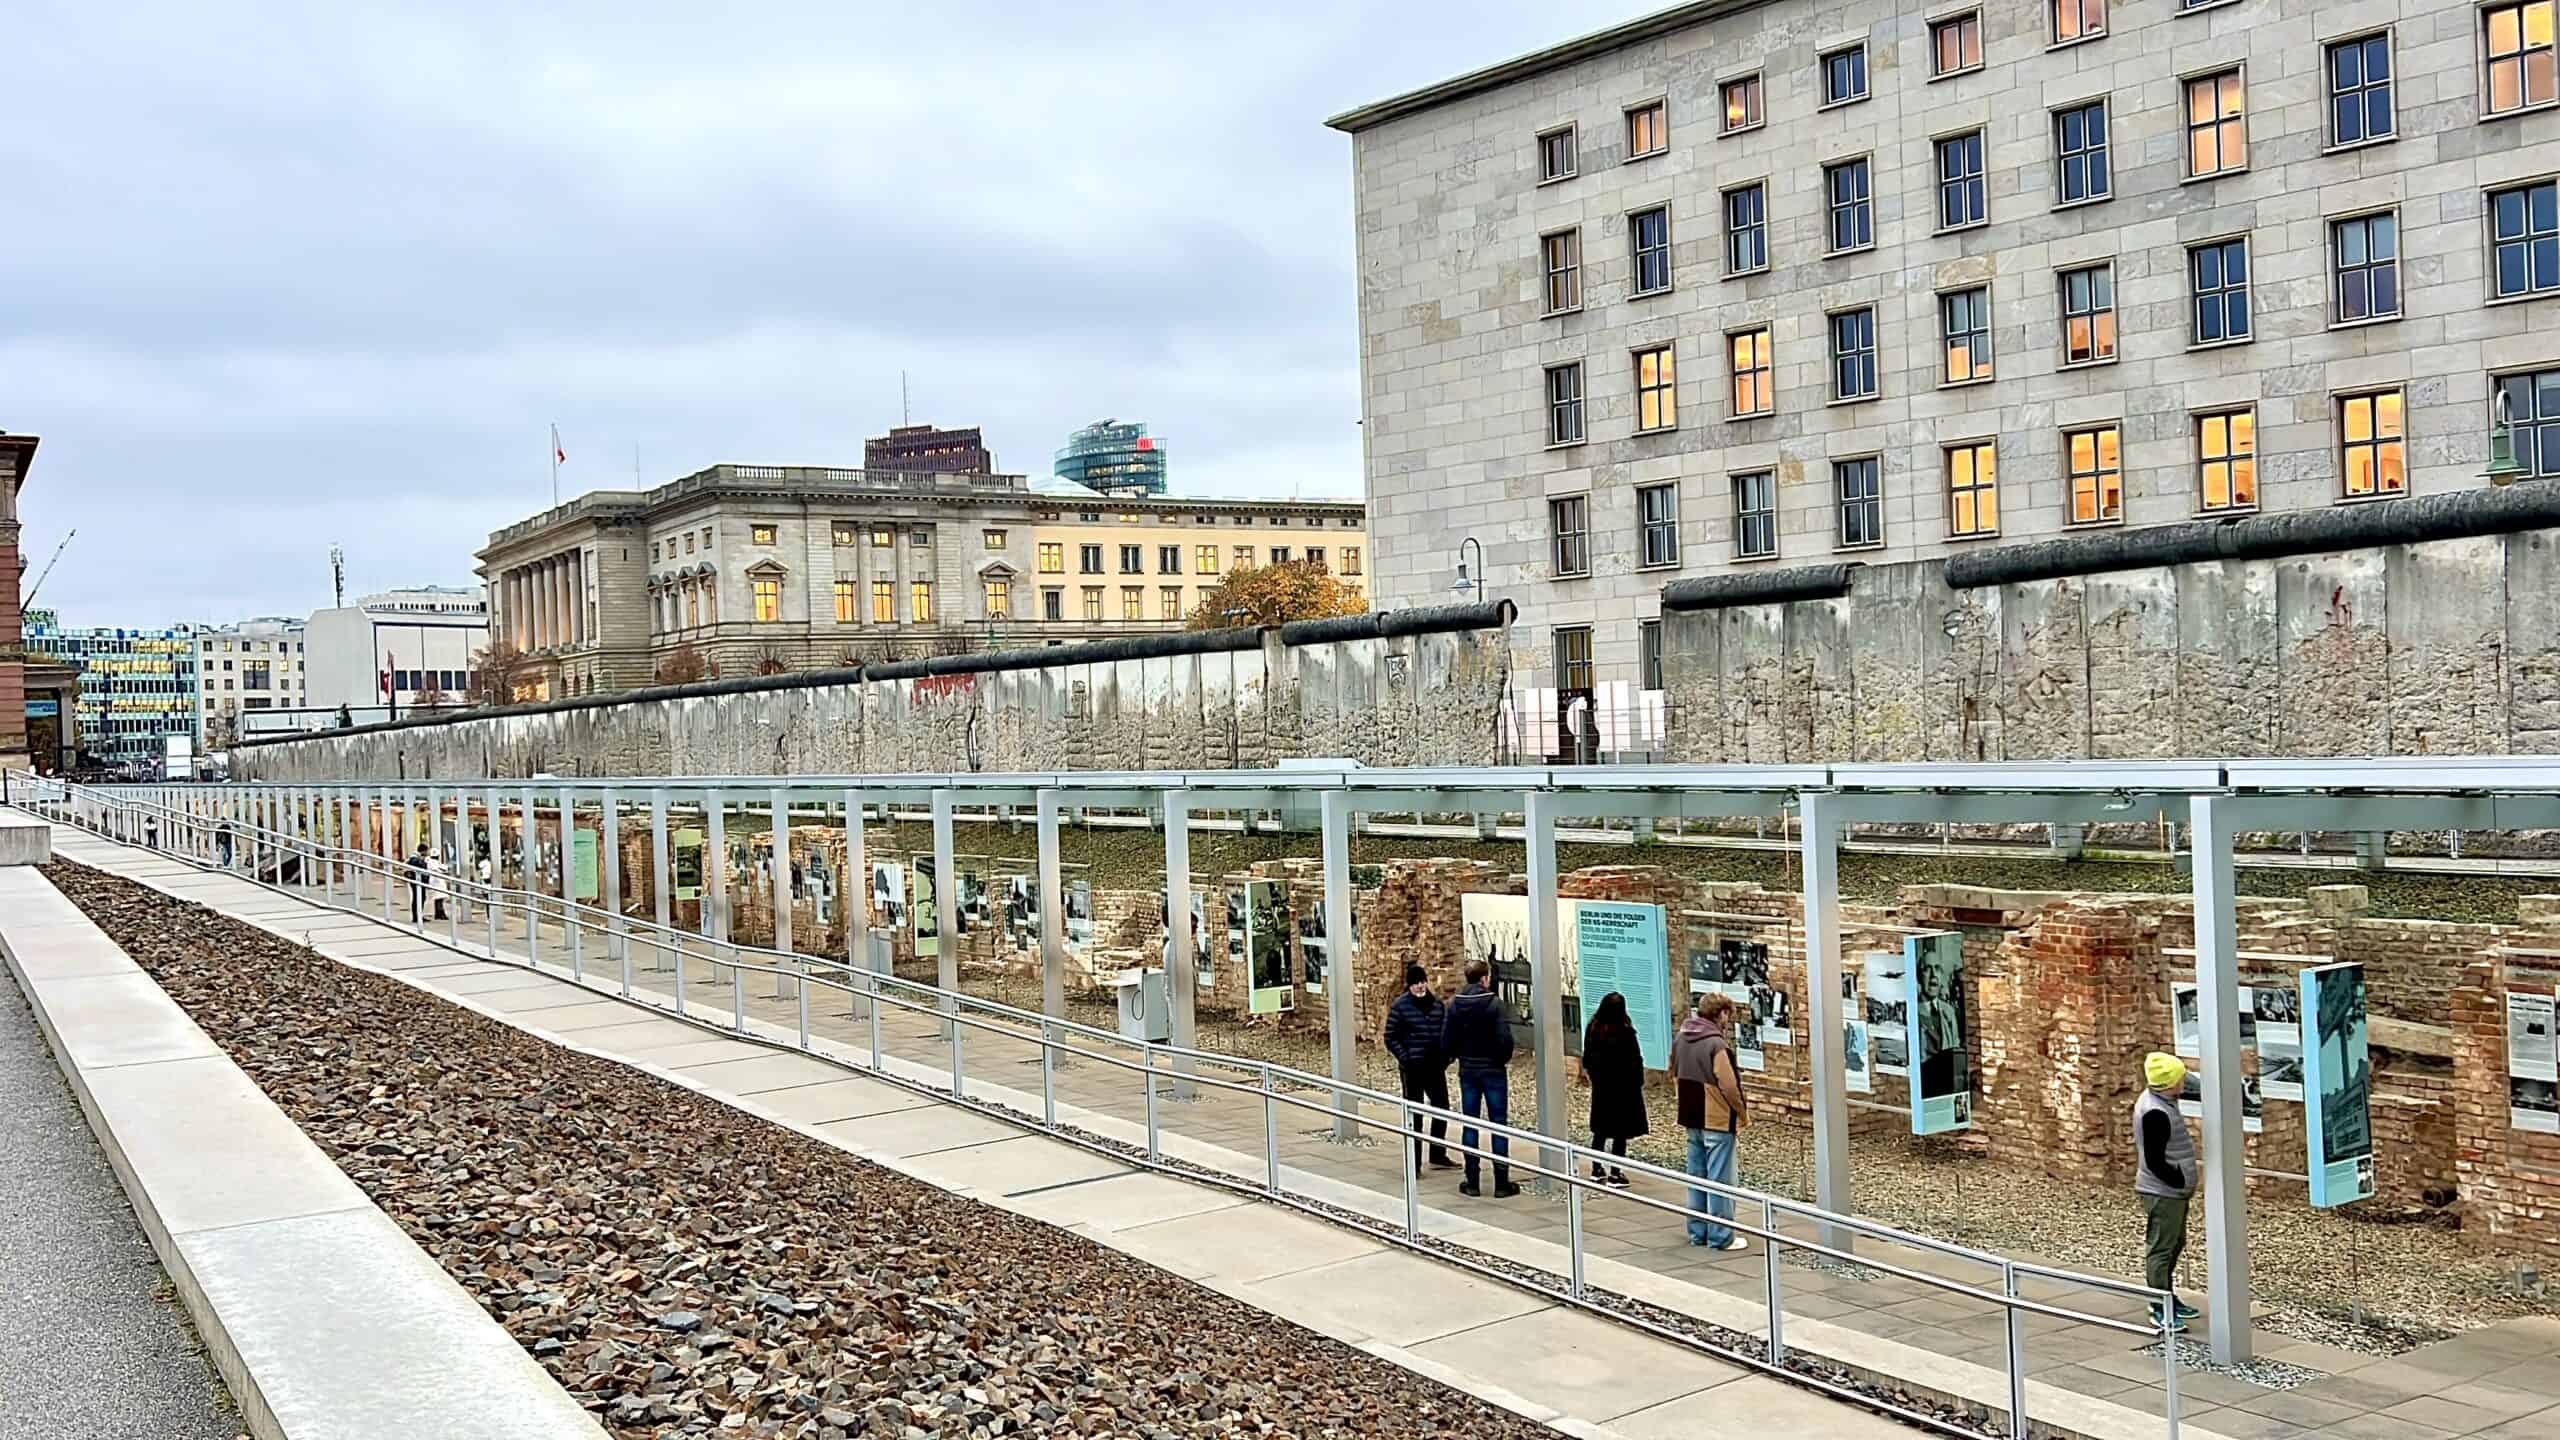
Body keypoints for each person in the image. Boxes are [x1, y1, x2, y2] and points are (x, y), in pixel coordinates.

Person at [1672, 991, 1749, 1250]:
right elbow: (1728, 1085)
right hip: (1716, 1117)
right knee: (1719, 1179)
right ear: (1722, 1014)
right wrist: (1741, 1112)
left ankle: (1698, 1232)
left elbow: (1673, 1070)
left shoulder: (1681, 1037)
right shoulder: (1716, 1044)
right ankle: (1721, 1236)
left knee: (1696, 1176)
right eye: (1729, 1015)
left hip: (1690, 1114)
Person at [2135, 1052, 2204, 1332]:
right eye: (2179, 1079)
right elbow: (2155, 1160)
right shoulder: (2155, 1113)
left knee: (2174, 1243)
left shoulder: (2161, 1100)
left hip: (2170, 1191)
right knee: (2162, 1248)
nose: (2184, 1083)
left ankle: (2167, 1296)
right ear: (2168, 1084)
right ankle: (2158, 1305)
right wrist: (2177, 1181)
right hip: (2163, 1192)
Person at [1441, 957, 1519, 1198]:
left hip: (1469, 1070)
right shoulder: (1495, 1004)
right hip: (1493, 1070)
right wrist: (1499, 1059)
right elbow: (1505, 1040)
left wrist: (1457, 1055)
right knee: (1498, 1124)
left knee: (1471, 1123)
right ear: (1485, 978)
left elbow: (1446, 1040)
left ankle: (1472, 1180)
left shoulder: (1455, 1004)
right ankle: (1501, 1181)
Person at [1383, 963, 1455, 1172]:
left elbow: (1445, 1032)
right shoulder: (1400, 1006)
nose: (1420, 987)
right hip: (1412, 1068)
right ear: (1410, 986)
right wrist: (1405, 1058)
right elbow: (1390, 1037)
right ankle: (1413, 1163)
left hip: (1435, 1066)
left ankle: (1437, 1153)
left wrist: (1446, 1057)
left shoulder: (1437, 1005)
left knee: (1442, 1108)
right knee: (1415, 1114)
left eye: (1422, 982)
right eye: (1416, 983)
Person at [1580, 991, 1648, 1186]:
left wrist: (1594, 1077)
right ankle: (1615, 1173)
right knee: (1620, 1133)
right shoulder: (1625, 1032)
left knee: (1600, 1130)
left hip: (1602, 1087)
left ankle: (1596, 1169)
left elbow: (1588, 1058)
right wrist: (1637, 1082)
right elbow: (1635, 1060)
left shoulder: (1593, 1028)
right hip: (1623, 1088)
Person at [405, 845, 431, 923]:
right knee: (418, 898)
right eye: (427, 851)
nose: (428, 852)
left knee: (420, 897)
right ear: (423, 851)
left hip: (418, 881)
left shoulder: (416, 857)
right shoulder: (415, 858)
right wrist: (422, 862)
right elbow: (418, 867)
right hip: (417, 881)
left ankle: (418, 915)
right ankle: (417, 916)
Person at [425, 847, 451, 921]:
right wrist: (444, 871)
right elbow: (437, 869)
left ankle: (439, 913)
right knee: (439, 897)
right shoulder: (431, 862)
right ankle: (440, 913)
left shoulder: (433, 861)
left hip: (437, 881)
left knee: (439, 898)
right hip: (436, 881)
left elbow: (441, 867)